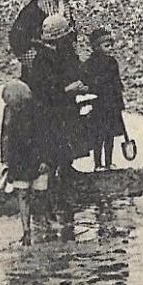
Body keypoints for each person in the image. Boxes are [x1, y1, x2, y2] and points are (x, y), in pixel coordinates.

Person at [21, 12, 92, 176]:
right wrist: (68, 90)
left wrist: (82, 84)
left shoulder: (64, 54)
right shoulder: (42, 60)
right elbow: (43, 89)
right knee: (54, 137)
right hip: (50, 108)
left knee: (70, 132)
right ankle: (54, 169)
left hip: (65, 104)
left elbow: (76, 71)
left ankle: (66, 166)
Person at [0, 81, 50, 245]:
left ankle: (44, 226)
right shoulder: (8, 112)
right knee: (23, 194)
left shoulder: (37, 110)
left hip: (35, 158)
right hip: (19, 160)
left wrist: (45, 159)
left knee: (39, 195)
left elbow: (46, 137)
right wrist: (6, 160)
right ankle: (27, 230)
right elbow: (5, 136)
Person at [8, 0, 75, 76]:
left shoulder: (65, 6)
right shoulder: (33, 9)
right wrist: (35, 62)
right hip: (41, 69)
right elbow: (17, 39)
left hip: (65, 65)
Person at [81, 27, 127, 171]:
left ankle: (108, 162)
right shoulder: (89, 64)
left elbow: (117, 84)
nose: (110, 48)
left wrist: (119, 103)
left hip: (111, 105)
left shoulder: (112, 62)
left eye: (111, 45)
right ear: (96, 47)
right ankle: (98, 164)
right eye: (106, 46)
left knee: (110, 136)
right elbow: (88, 84)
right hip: (98, 105)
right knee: (98, 135)